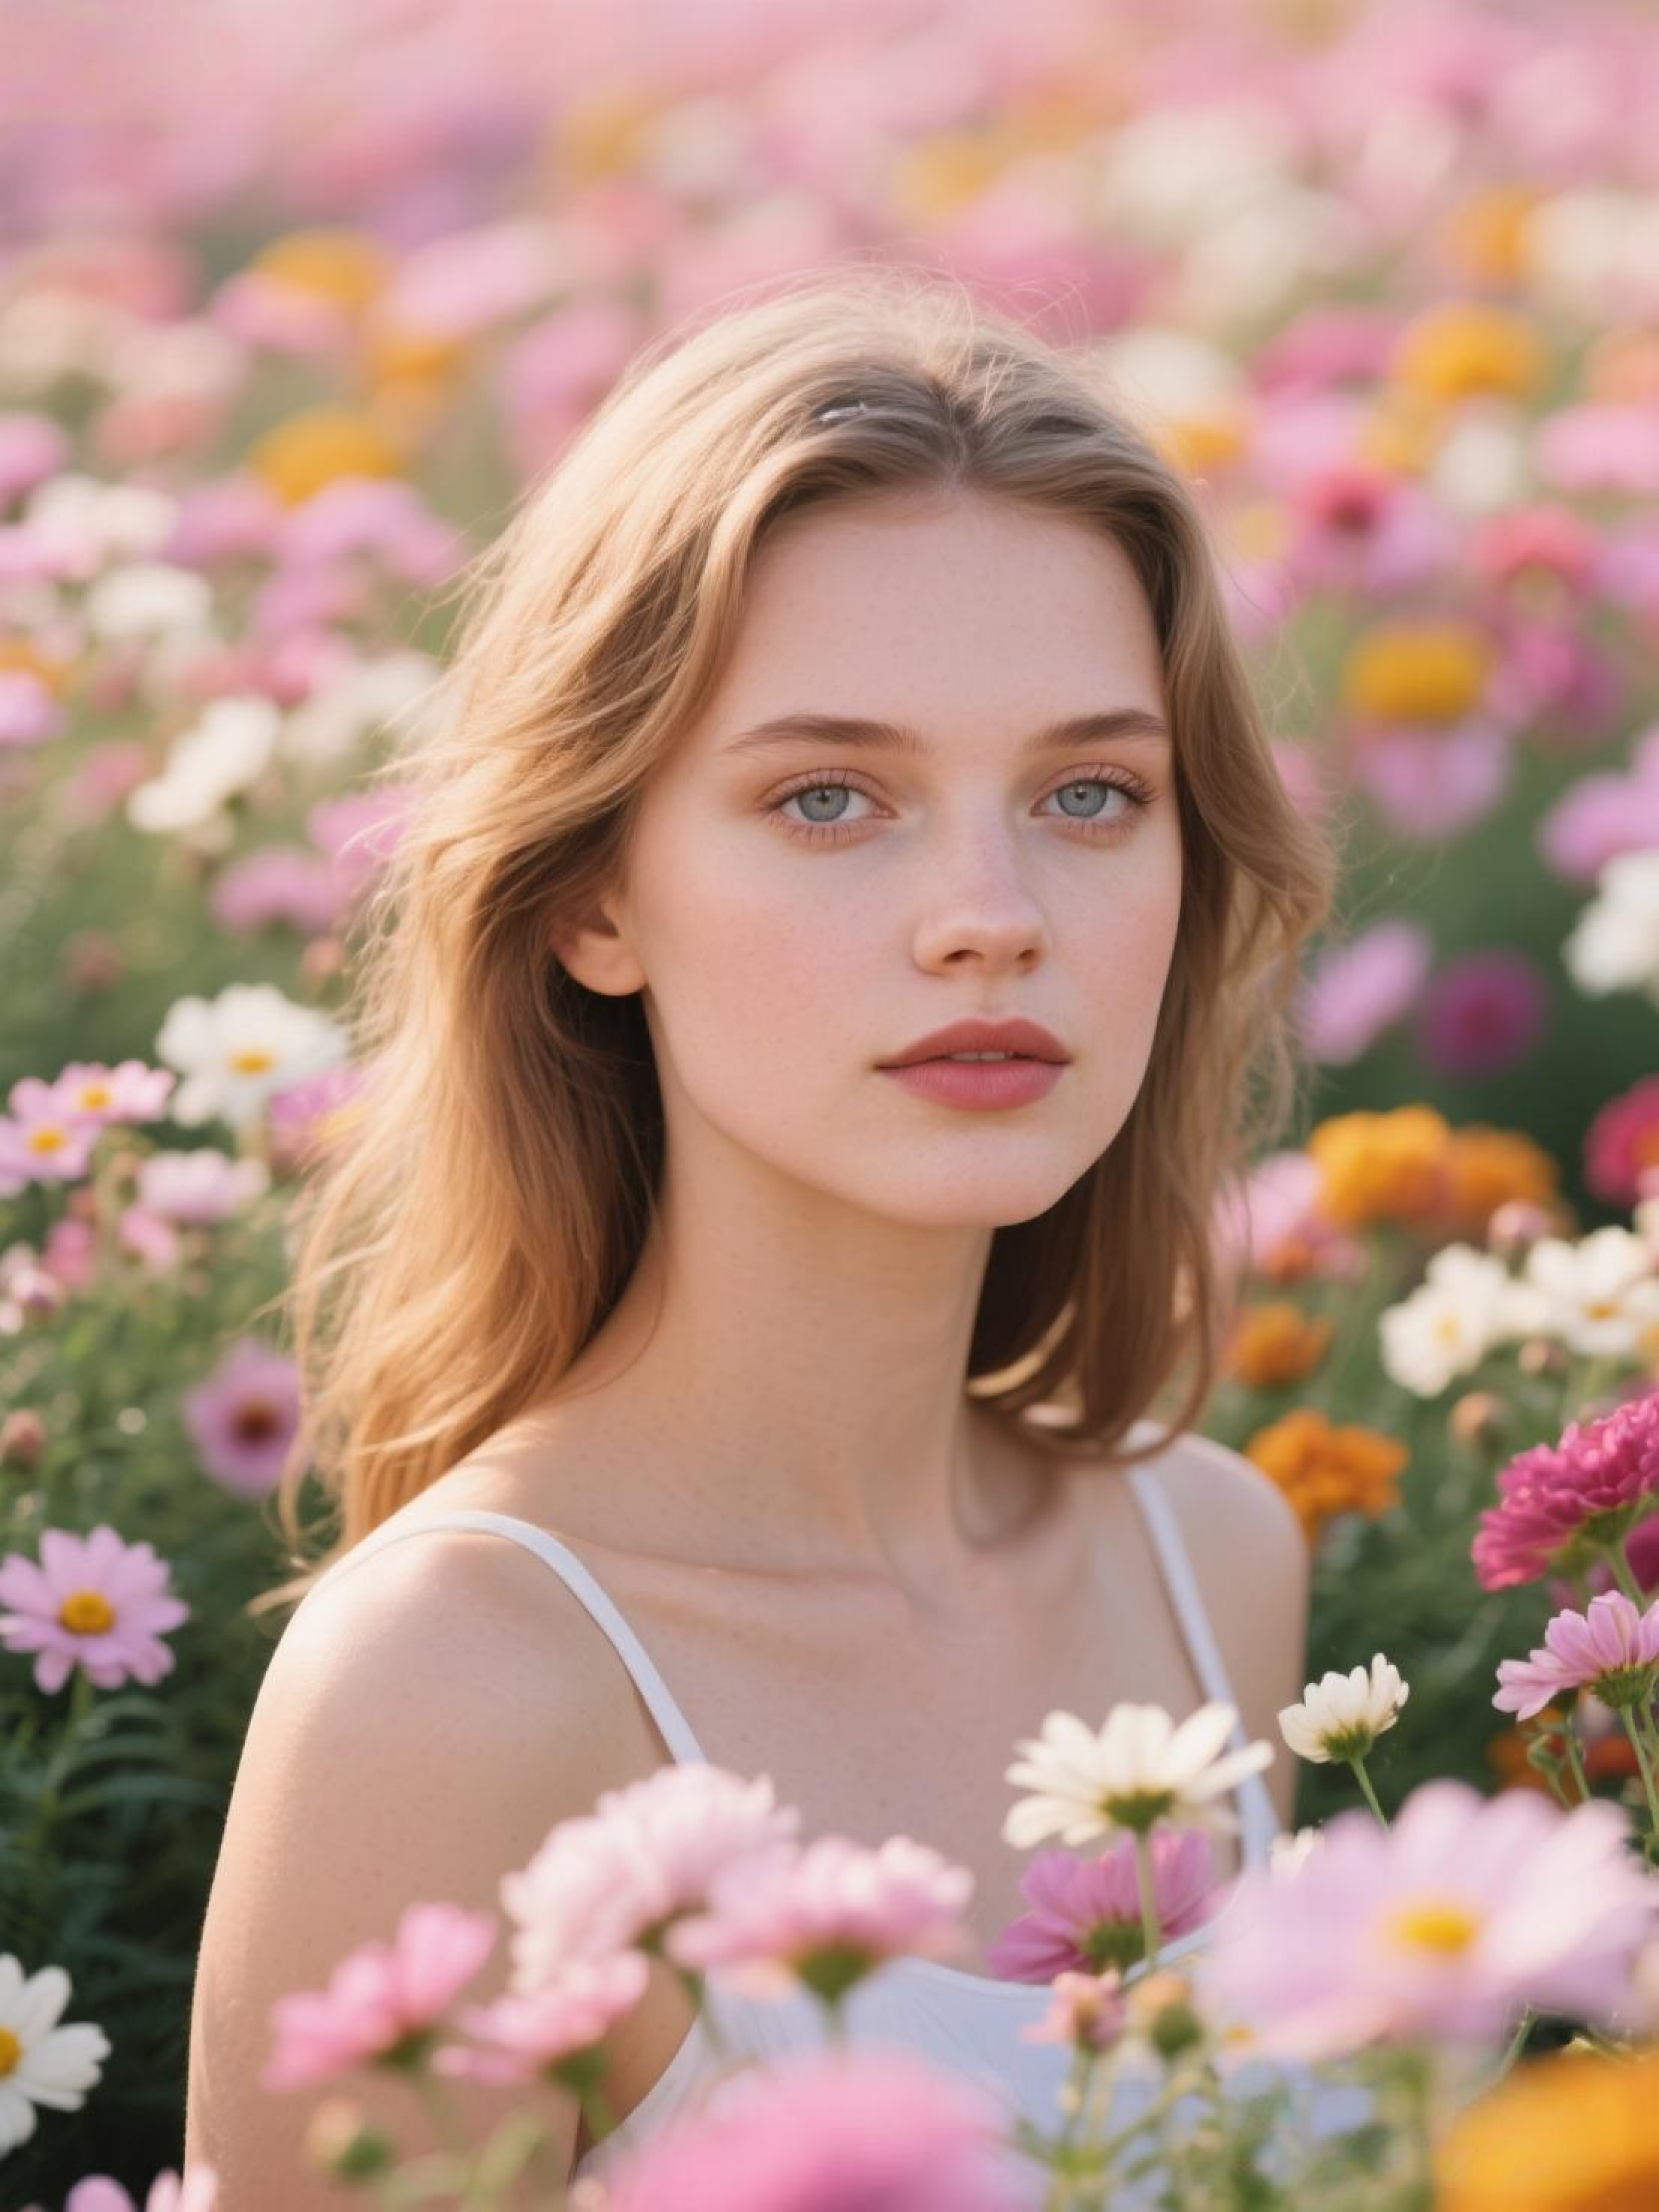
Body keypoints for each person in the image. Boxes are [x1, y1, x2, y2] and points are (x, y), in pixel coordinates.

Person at [184, 264, 1340, 2204]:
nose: (991, 915)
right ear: (593, 899)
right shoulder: (453, 1695)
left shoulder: (1212, 1565)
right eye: (827, 798)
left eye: (1089, 791)